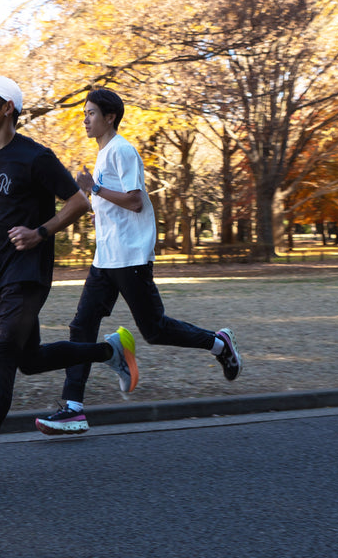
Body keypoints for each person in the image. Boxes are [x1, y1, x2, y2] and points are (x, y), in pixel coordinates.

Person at [0, 76, 139, 482]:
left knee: (0, 354)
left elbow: (80, 201)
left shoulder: (35, 157)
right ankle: (109, 352)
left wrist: (40, 233)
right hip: (3, 273)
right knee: (29, 360)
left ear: (7, 108)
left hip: (30, 274)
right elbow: (3, 217)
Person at [35, 87, 242, 436]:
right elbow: (116, 210)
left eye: (90, 113)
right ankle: (73, 408)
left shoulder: (122, 151)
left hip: (130, 259)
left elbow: (134, 201)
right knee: (80, 326)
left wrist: (94, 189)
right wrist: (97, 210)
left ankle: (220, 343)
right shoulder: (103, 155)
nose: (85, 119)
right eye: (84, 113)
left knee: (154, 330)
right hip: (106, 259)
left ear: (109, 117)